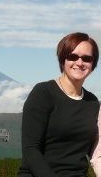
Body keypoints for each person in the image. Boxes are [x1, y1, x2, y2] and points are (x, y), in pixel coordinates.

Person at [17, 32, 100, 177]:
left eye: (87, 58)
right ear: (63, 59)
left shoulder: (93, 103)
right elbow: (31, 150)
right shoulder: (43, 93)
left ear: (93, 64)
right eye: (73, 56)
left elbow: (97, 154)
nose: (79, 63)